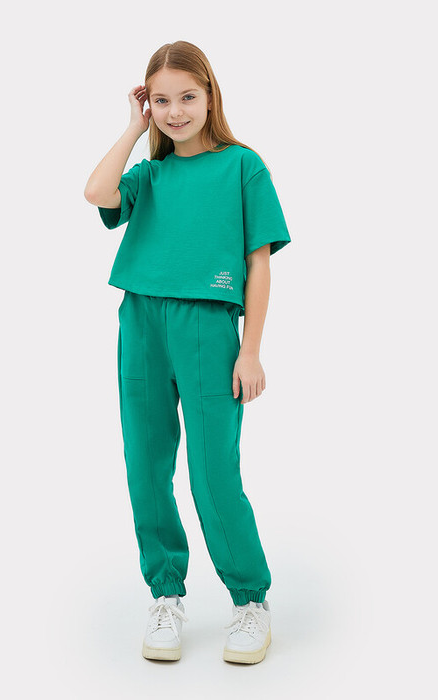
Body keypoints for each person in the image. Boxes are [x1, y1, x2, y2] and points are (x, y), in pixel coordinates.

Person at [84, 40, 291, 665]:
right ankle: (165, 594)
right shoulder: (148, 176)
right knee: (145, 466)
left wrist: (250, 350)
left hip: (208, 326)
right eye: (162, 100)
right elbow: (96, 192)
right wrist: (133, 128)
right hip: (141, 319)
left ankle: (250, 600)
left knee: (212, 471)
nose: (176, 111)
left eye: (188, 97)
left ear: (210, 96)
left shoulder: (243, 166)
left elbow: (259, 264)